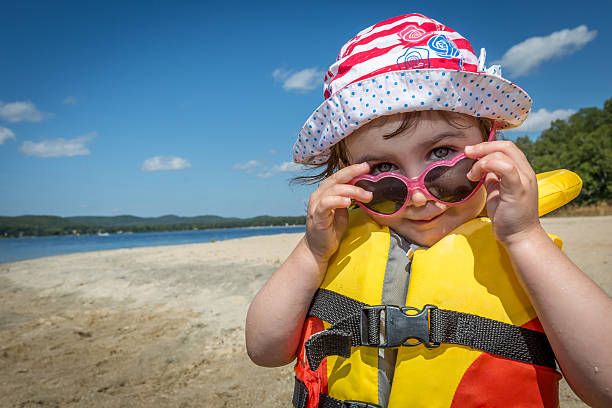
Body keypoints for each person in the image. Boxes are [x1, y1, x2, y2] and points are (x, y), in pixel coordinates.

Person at [245, 13, 612, 408]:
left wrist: (524, 237)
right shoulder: (335, 245)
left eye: (442, 155)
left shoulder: (521, 246)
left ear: (492, 141)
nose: (418, 197)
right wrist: (312, 251)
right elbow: (264, 351)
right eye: (383, 171)